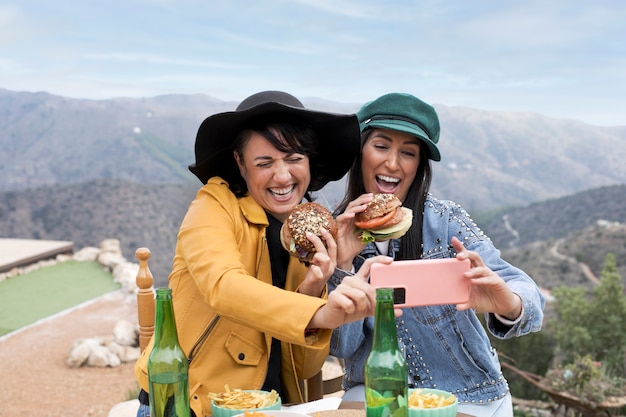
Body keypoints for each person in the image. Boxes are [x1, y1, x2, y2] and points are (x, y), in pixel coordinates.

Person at [134, 90, 392, 417]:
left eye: (295, 159)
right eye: (264, 162)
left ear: (310, 161)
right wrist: (318, 313)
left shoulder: (308, 236)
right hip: (186, 404)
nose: (282, 176)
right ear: (240, 163)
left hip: (270, 408)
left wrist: (316, 285)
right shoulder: (212, 207)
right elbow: (223, 285)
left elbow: (302, 369)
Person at [328, 92, 546, 417]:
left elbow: (527, 294)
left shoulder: (445, 221)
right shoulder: (337, 230)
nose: (392, 163)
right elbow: (340, 347)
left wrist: (507, 303)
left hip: (468, 392)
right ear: (359, 152)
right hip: (375, 389)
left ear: (419, 165)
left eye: (408, 153)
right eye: (381, 145)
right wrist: (342, 267)